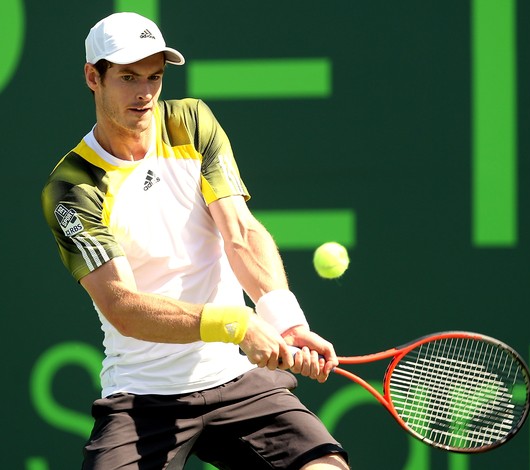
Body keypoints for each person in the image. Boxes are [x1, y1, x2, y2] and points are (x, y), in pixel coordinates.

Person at [41, 12, 349, 470]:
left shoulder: (191, 123)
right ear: (93, 77)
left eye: (154, 77)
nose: (144, 93)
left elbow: (240, 232)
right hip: (144, 395)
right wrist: (236, 326)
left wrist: (285, 321)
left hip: (238, 380)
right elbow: (123, 306)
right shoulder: (72, 188)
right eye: (127, 77)